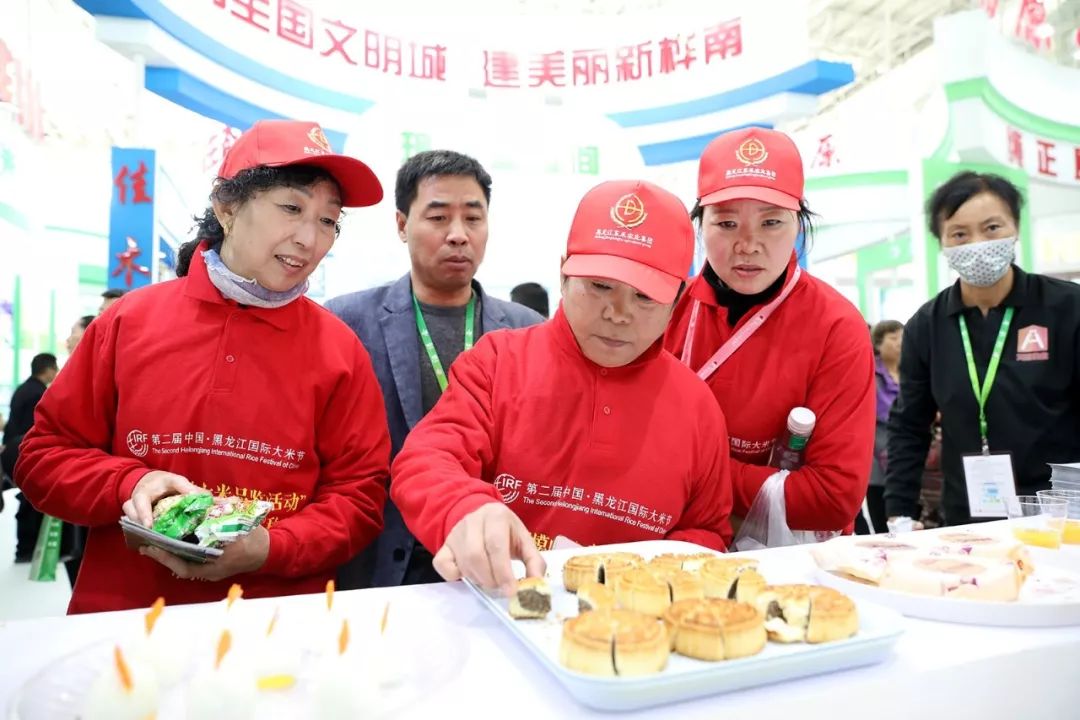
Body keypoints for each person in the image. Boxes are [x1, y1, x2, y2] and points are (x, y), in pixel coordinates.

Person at [15, 119, 391, 613]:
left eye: (328, 221)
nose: (309, 238)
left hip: (280, 624)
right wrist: (130, 484)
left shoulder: (340, 349)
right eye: (292, 208)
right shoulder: (130, 320)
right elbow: (42, 458)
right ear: (227, 207)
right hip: (128, 618)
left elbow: (360, 497)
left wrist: (271, 548)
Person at [391, 179, 733, 594]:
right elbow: (427, 458)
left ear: (677, 300)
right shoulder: (498, 361)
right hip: (502, 607)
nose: (618, 313)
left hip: (632, 631)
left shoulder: (696, 405)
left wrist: (655, 583)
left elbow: (707, 531)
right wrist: (465, 507)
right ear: (564, 273)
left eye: (644, 297)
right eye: (600, 286)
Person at [327, 150, 543, 589]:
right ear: (402, 225)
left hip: (488, 565)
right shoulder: (345, 323)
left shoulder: (529, 332)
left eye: (473, 219)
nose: (458, 235)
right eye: (439, 218)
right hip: (375, 566)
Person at [664, 128, 875, 543]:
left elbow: (832, 497)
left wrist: (685, 469)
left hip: (790, 562)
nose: (748, 245)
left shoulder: (837, 327)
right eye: (726, 222)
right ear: (699, 226)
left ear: (798, 222)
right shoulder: (666, 310)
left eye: (771, 222)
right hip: (675, 544)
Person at [885, 171, 1080, 527]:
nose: (977, 242)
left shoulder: (1067, 308)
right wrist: (899, 510)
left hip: (1061, 511)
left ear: (1016, 228)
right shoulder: (927, 325)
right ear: (942, 242)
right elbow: (910, 425)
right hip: (970, 515)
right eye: (959, 233)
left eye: (992, 228)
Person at [2, 353, 59, 561]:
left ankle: (25, 548)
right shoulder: (38, 393)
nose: (57, 372)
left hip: (13, 450)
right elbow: (34, 429)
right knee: (30, 502)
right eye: (55, 368)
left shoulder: (23, 389)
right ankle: (26, 548)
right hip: (26, 453)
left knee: (26, 500)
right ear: (47, 369)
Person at [857, 320, 903, 534]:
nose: (900, 343)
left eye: (902, 337)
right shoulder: (868, 371)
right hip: (876, 454)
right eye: (893, 338)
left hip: (906, 453)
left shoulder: (911, 369)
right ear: (878, 343)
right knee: (881, 518)